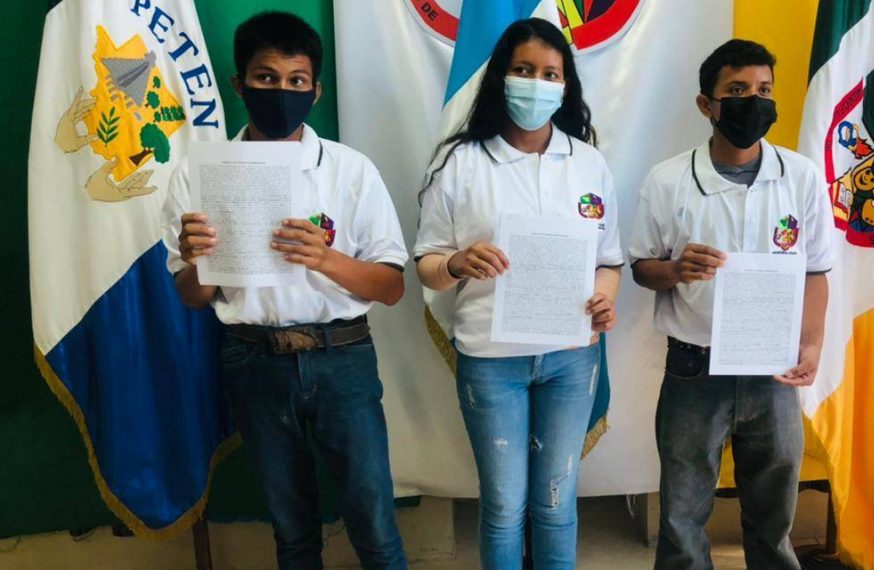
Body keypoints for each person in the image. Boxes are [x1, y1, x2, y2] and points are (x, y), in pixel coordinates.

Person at [161, 11, 408, 569]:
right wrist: (200, 260)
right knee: (291, 526)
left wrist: (326, 259)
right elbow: (191, 296)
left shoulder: (350, 170)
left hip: (342, 355)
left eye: (297, 80)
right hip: (254, 360)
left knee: (373, 519)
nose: (281, 91)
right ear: (240, 83)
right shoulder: (198, 174)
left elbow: (392, 286)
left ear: (315, 90)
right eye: (266, 77)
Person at [413, 17, 622, 570]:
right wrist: (456, 263)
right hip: (490, 361)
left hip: (572, 358)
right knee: (504, 505)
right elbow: (427, 267)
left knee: (555, 501)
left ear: (566, 85)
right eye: (523, 70)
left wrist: (605, 297)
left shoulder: (589, 163)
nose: (537, 83)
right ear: (500, 77)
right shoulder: (460, 163)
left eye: (550, 74)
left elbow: (608, 259)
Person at [626, 39, 835, 570]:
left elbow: (815, 272)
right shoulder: (668, 180)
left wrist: (811, 345)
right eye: (737, 90)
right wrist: (676, 269)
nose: (753, 102)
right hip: (694, 368)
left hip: (773, 369)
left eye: (763, 90)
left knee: (774, 514)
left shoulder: (801, 177)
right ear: (707, 104)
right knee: (682, 514)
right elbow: (642, 267)